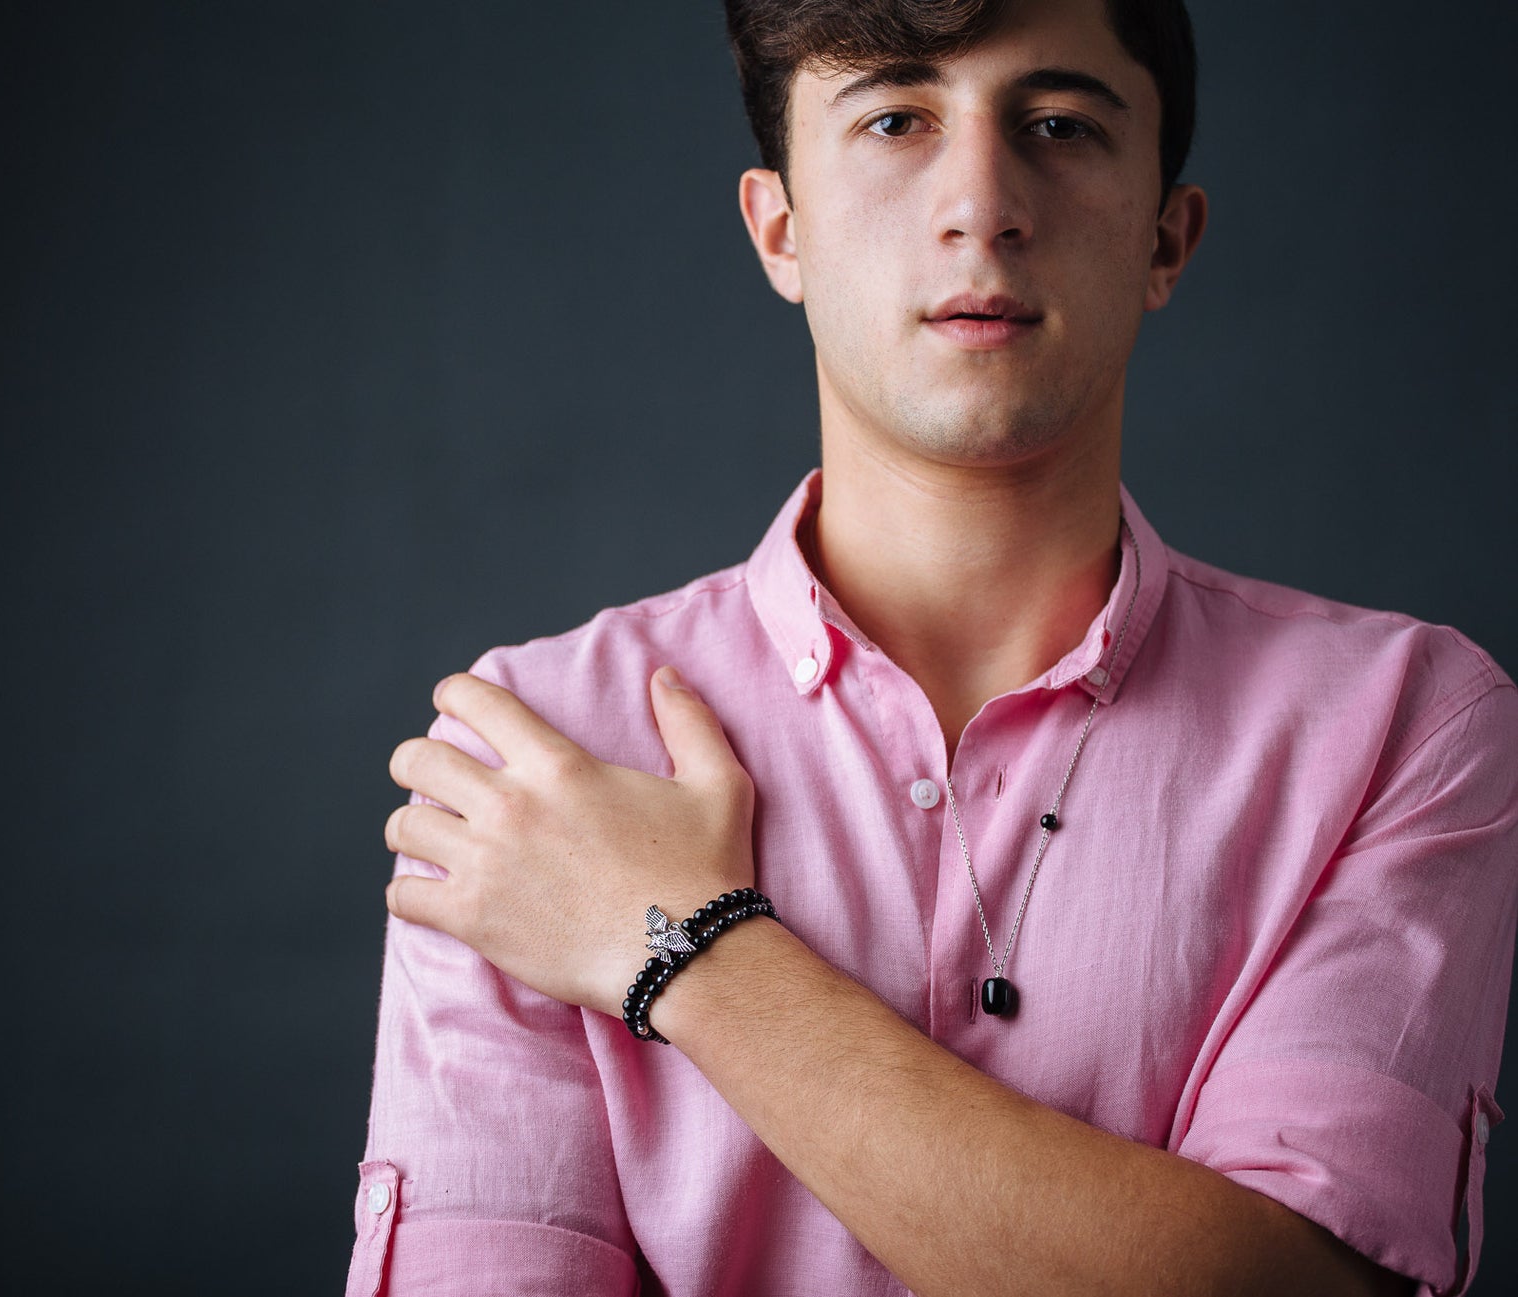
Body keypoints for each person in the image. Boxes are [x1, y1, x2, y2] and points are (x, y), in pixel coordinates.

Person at [347, 0, 1517, 1293]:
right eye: (895, 118)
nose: (981, 206)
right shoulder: (535, 758)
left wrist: (688, 950)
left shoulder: (1404, 724)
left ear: (1164, 237)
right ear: (779, 229)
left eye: (1058, 125)